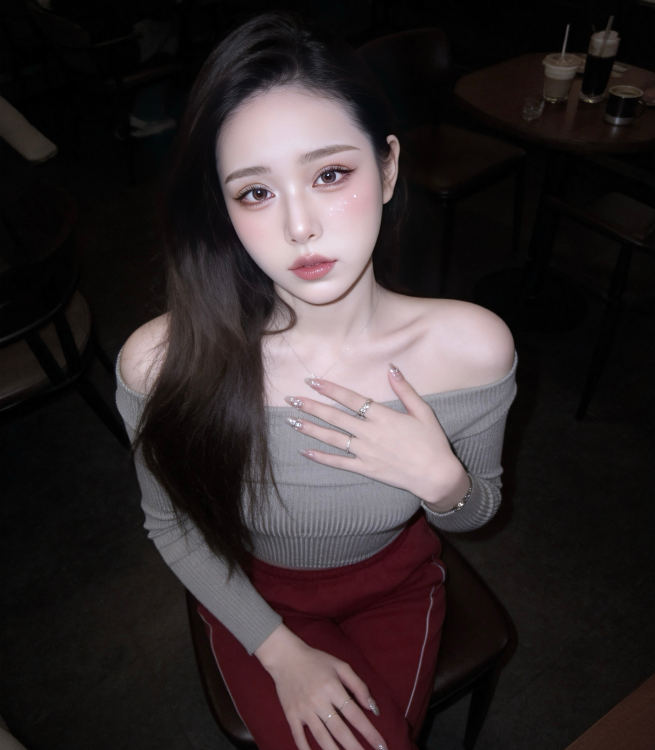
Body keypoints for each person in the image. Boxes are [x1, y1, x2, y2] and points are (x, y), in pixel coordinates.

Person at [116, 12, 517, 750]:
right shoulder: (161, 361)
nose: (299, 226)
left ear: (387, 168)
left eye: (330, 174)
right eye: (255, 193)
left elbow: (477, 511)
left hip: (395, 583)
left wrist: (443, 483)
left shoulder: (472, 347)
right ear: (223, 209)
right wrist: (279, 651)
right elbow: (171, 524)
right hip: (252, 594)